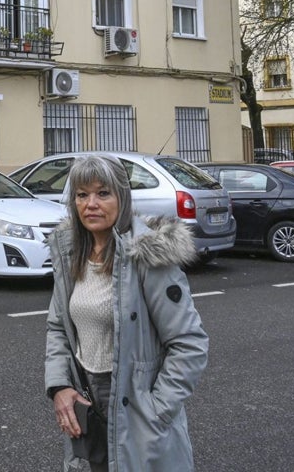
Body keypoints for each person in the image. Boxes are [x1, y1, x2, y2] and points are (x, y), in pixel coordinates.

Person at [44, 154, 208, 471]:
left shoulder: (147, 256)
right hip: (87, 400)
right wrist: (60, 386)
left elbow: (190, 343)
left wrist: (156, 409)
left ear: (123, 197)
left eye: (102, 193)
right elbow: (58, 329)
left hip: (136, 403)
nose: (91, 203)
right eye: (82, 194)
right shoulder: (70, 254)